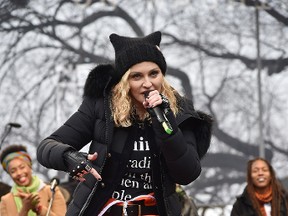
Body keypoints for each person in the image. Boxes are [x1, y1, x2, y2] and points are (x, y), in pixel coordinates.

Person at [37, 31, 213, 216]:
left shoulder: (179, 110)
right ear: (124, 82)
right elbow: (47, 146)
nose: (148, 84)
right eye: (137, 76)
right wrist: (69, 158)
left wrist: (165, 122)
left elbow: (187, 174)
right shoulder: (102, 107)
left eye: (154, 74)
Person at [0, 144, 67, 216]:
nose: (19, 173)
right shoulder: (5, 201)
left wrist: (38, 208)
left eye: (22, 167)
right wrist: (25, 209)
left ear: (30, 166)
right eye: (13, 171)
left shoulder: (52, 191)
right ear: (9, 174)